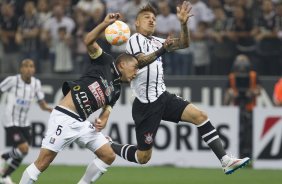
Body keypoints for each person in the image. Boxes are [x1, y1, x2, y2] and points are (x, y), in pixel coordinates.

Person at [108, 2, 250, 175]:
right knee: (143, 157)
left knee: (200, 116)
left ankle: (225, 160)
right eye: (146, 18)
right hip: (146, 105)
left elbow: (184, 43)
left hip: (163, 97)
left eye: (154, 18)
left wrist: (183, 24)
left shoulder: (156, 41)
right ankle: (109, 145)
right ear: (137, 23)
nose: (151, 20)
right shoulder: (134, 39)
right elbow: (140, 61)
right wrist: (162, 50)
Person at [18, 12, 152, 184]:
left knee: (108, 155)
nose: (136, 73)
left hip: (82, 123)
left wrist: (102, 121)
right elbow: (88, 41)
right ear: (122, 64)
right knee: (43, 162)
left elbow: (106, 113)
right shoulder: (106, 61)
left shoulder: (117, 90)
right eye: (134, 68)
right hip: (65, 117)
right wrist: (104, 23)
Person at [0, 59, 52, 184]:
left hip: (24, 122)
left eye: (31, 66)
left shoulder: (36, 83)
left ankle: (4, 176)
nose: (29, 69)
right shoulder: (13, 80)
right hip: (10, 120)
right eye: (26, 66)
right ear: (21, 69)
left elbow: (41, 103)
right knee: (23, 148)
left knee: (24, 153)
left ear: (34, 69)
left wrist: (51, 109)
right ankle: (3, 157)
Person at [223, 54, 261, 158]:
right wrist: (231, 94)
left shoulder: (253, 75)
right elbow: (226, 97)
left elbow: (259, 90)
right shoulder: (231, 77)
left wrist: (252, 92)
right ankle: (237, 153)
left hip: (250, 107)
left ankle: (250, 153)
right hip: (236, 108)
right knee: (237, 131)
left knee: (251, 131)